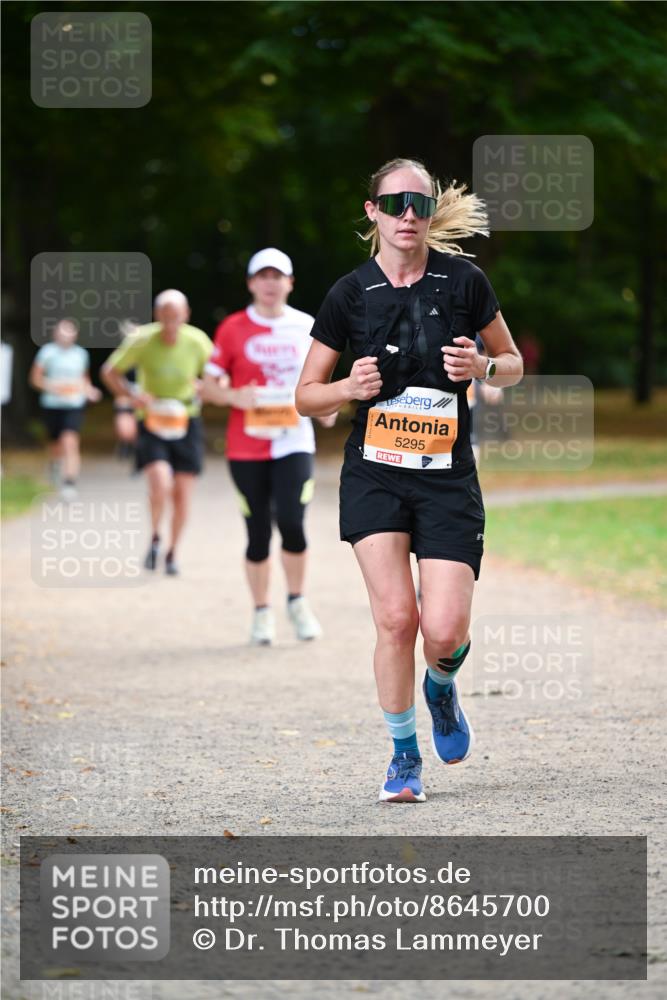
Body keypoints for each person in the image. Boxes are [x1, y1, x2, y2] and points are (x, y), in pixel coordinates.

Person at [296, 158, 523, 803]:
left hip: (447, 478)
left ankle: (441, 687)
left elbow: (512, 363)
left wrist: (482, 366)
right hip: (375, 475)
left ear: (430, 213)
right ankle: (403, 756)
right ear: (373, 211)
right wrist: (348, 386)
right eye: (394, 203)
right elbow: (306, 396)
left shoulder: (465, 282)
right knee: (397, 620)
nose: (407, 216)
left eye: (419, 204)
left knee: (443, 633)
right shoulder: (349, 293)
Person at [203, 248, 335, 645]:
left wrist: (326, 408)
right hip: (246, 448)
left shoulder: (307, 326)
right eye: (262, 276)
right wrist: (233, 397)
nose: (270, 283)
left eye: (277, 276)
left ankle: (297, 601)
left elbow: (320, 382)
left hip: (294, 442)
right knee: (258, 531)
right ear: (251, 283)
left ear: (290, 283)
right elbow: (207, 386)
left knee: (292, 523)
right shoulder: (232, 328)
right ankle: (261, 612)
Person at [102, 290, 213, 576]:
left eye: (176, 315)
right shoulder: (142, 339)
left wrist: (206, 387)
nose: (171, 321)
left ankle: (173, 551)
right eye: (165, 314)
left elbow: (218, 375)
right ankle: (154, 536)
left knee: (183, 494)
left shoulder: (197, 340)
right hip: (152, 420)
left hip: (186, 419)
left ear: (186, 315)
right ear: (157, 315)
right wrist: (131, 397)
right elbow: (109, 372)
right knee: (160, 484)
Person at [29, 320, 102, 501]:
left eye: (69, 332)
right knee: (56, 446)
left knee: (70, 441)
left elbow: (84, 379)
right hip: (52, 404)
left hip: (74, 404)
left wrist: (90, 391)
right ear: (55, 334)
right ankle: (54, 466)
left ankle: (69, 483)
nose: (65, 336)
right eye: (62, 332)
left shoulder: (81, 354)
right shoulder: (47, 352)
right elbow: (35, 379)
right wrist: (51, 386)